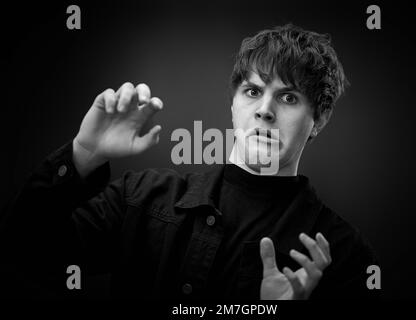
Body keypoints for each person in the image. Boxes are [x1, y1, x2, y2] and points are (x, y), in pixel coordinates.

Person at [1, 24, 379, 299]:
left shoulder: (339, 255)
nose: (264, 110)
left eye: (288, 98)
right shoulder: (141, 198)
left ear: (320, 119)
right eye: (252, 91)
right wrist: (84, 154)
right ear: (233, 105)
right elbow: (26, 253)